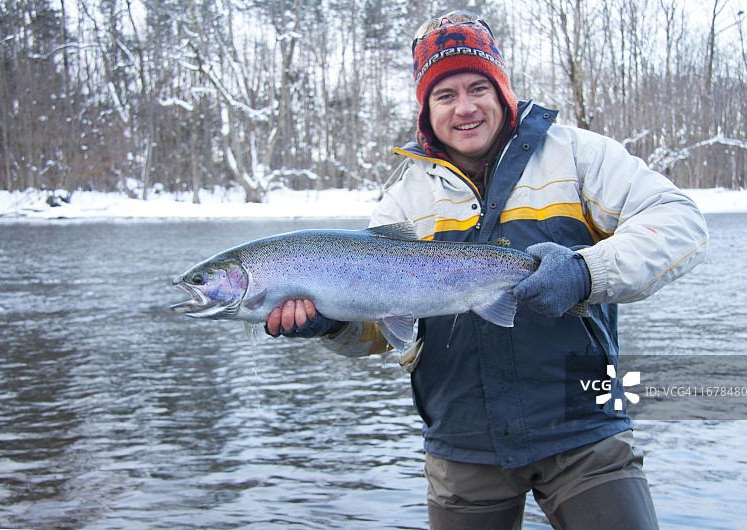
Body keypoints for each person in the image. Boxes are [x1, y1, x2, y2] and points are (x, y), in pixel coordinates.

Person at [266, 10, 709, 530]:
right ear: (426, 110)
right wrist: (329, 323)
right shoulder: (404, 199)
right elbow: (382, 331)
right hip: (462, 442)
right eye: (445, 95)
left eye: (478, 87)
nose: (465, 108)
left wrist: (586, 274)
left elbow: (680, 224)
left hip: (583, 427)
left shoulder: (577, 155)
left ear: (503, 92)